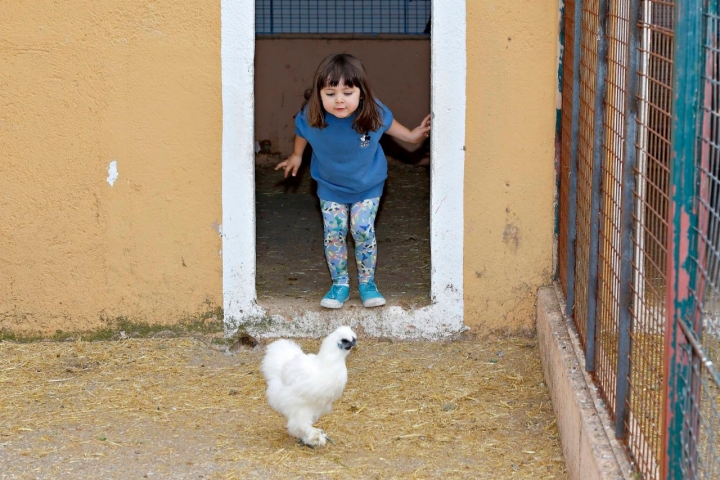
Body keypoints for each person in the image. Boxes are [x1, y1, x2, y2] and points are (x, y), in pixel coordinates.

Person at [275, 53, 431, 309]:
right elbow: (301, 132)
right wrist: (296, 155)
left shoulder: (374, 113)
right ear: (318, 94)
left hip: (367, 184)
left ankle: (368, 284)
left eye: (347, 92)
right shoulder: (311, 115)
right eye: (330, 93)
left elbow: (406, 135)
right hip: (329, 185)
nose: (339, 100)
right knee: (334, 234)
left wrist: (415, 135)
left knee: (361, 230)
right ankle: (340, 285)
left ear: (361, 93)